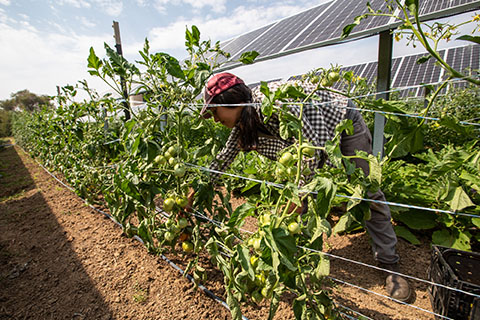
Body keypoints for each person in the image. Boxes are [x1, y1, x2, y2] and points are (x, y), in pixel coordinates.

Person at [188, 72, 414, 303]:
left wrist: (297, 197)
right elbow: (223, 159)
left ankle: (390, 266)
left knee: (365, 190)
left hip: (343, 122)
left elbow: (313, 151)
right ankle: (295, 262)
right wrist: (195, 191)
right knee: (297, 198)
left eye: (215, 111)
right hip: (311, 143)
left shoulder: (276, 102)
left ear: (233, 101)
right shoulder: (245, 122)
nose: (215, 120)